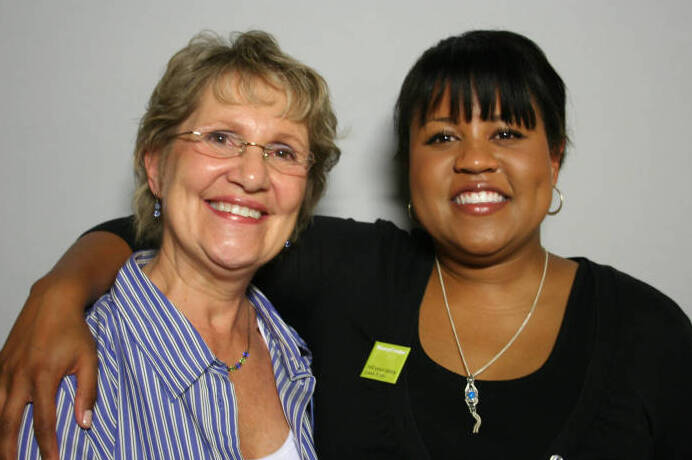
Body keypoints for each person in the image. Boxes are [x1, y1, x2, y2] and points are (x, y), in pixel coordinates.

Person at [2, 30, 691, 460]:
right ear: (408, 165)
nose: (476, 160)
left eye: (507, 133)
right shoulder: (357, 275)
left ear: (556, 158)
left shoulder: (648, 331)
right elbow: (187, 231)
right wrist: (60, 290)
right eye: (443, 136)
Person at [7, 30, 340, 460]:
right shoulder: (69, 377)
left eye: (282, 151)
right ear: (156, 166)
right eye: (221, 138)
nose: (253, 176)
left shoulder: (289, 347)